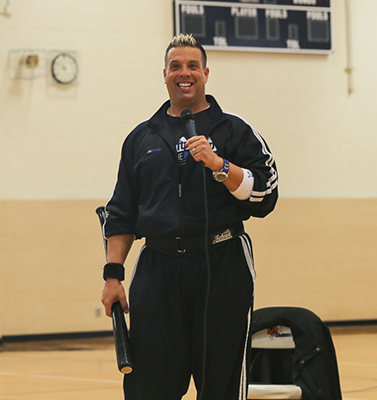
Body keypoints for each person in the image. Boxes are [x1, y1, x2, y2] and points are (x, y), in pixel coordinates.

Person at [100, 34, 278, 400]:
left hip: (222, 262)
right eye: (176, 66)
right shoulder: (141, 138)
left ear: (206, 73)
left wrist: (220, 165)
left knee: (221, 382)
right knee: (149, 382)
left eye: (193, 66)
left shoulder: (234, 130)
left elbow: (266, 195)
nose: (185, 73)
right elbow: (121, 214)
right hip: (158, 268)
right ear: (164, 74)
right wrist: (112, 276)